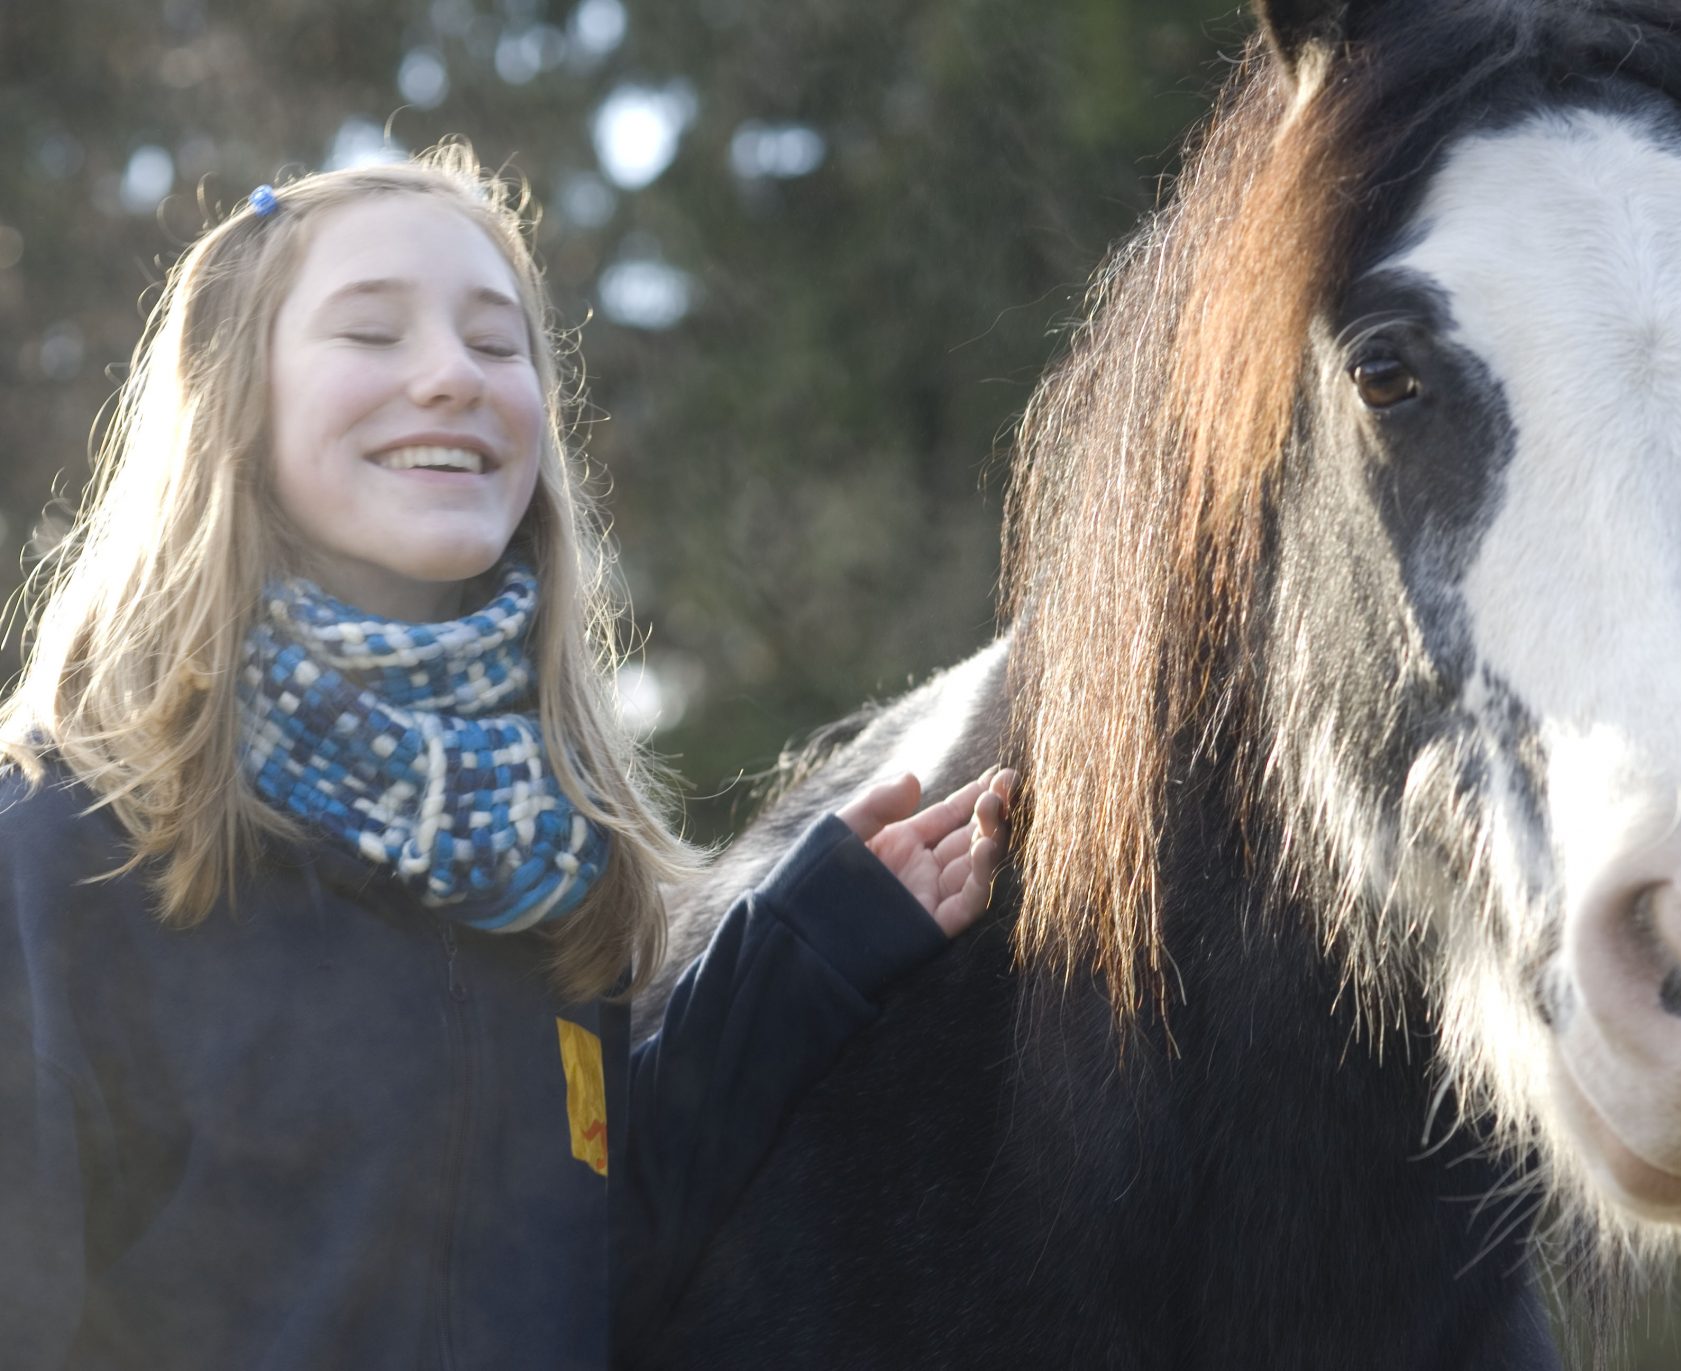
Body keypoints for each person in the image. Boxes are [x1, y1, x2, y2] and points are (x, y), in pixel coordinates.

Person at [0, 142, 1011, 1369]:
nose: (449, 377)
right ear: (233, 401)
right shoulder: (68, 851)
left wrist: (800, 957)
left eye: (496, 343)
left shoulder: (543, 876)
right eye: (371, 333)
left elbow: (586, 1279)